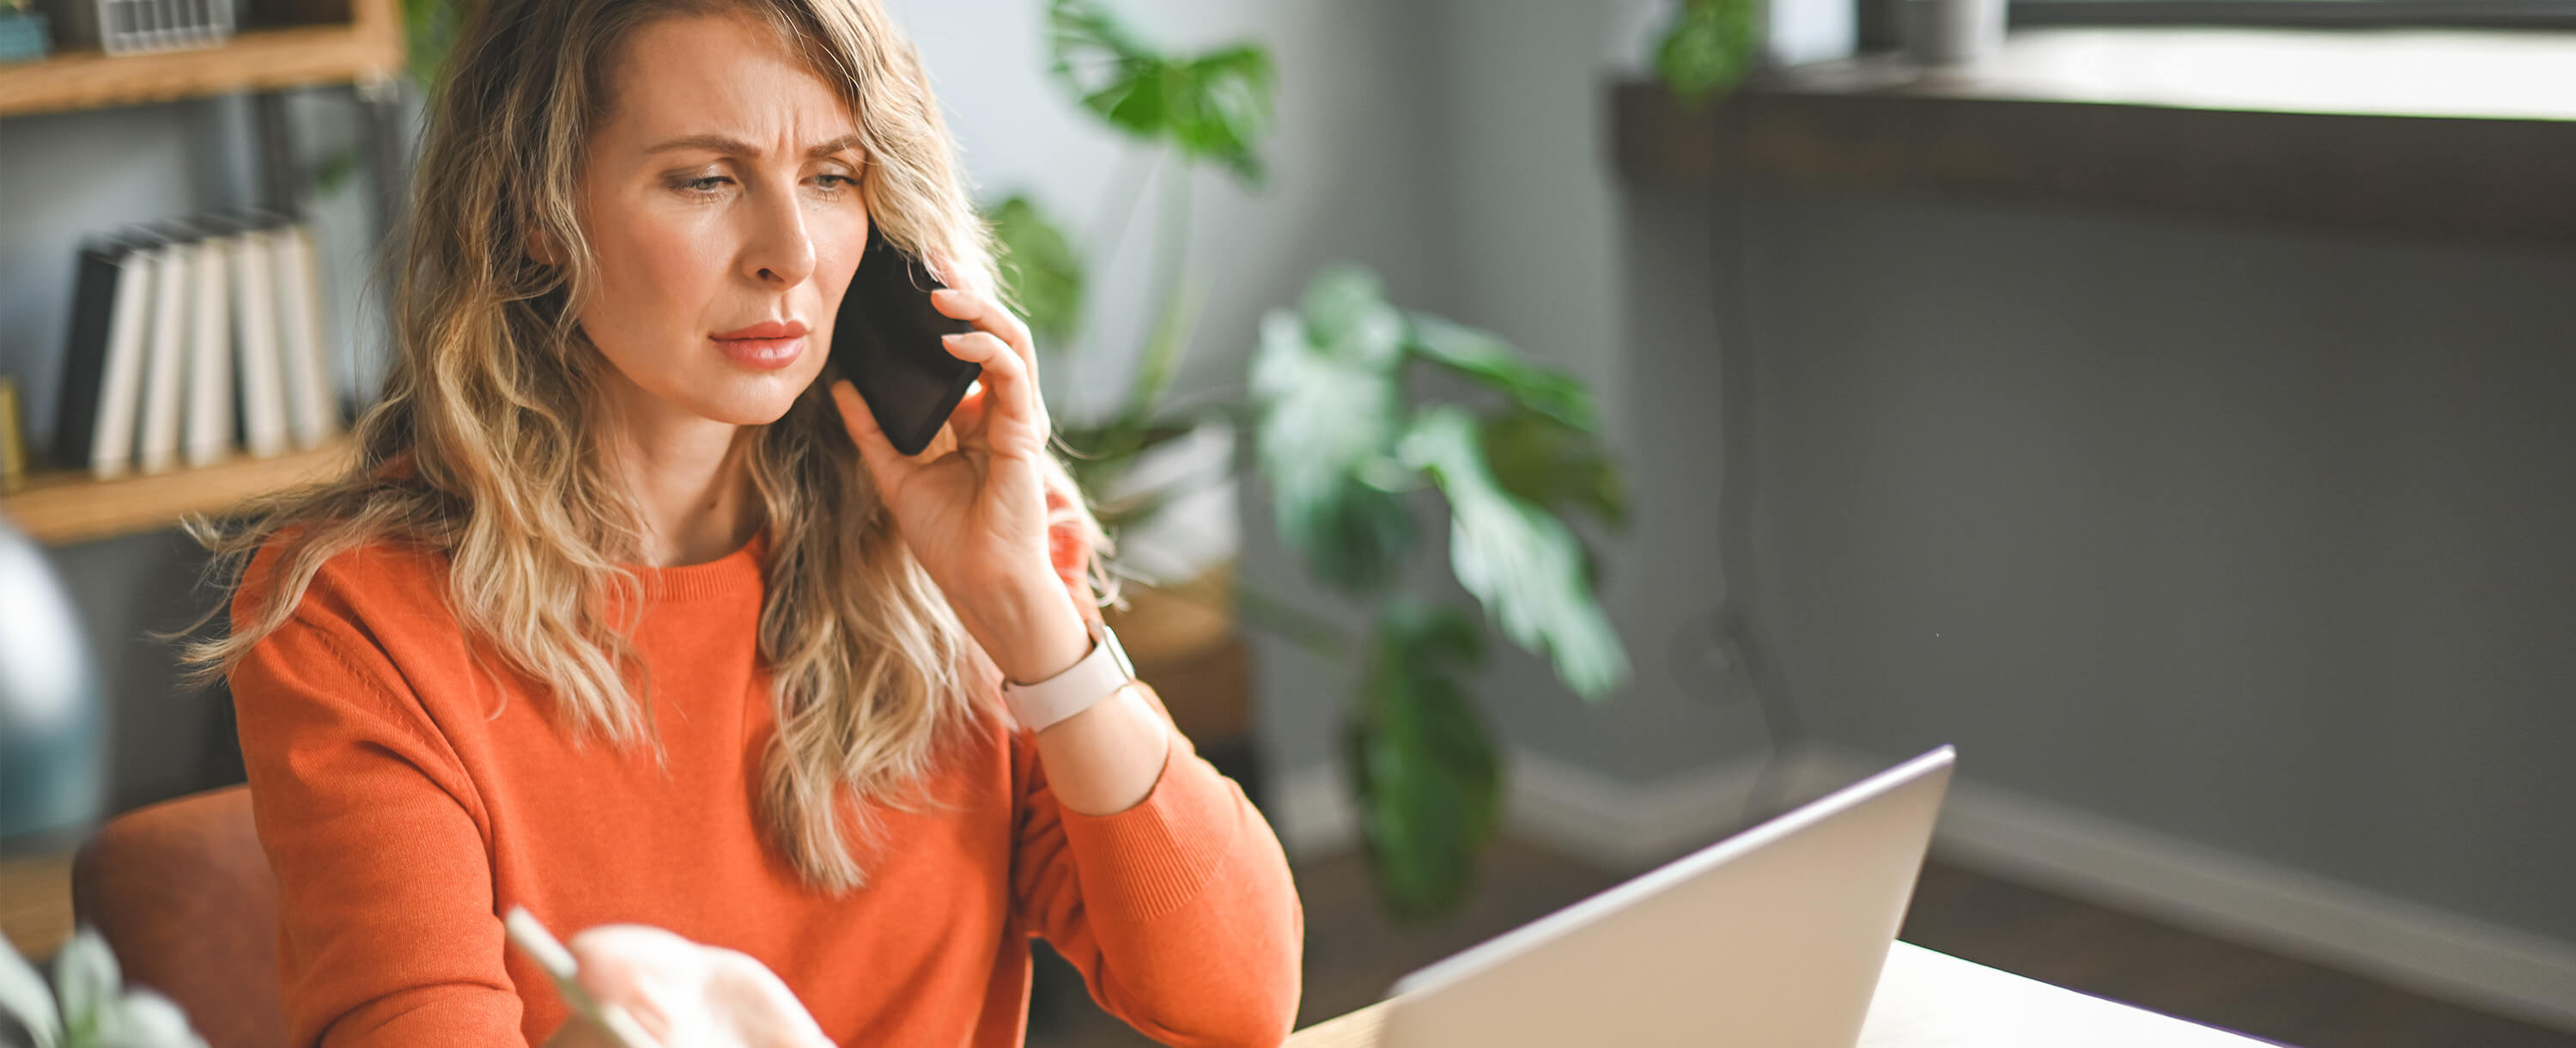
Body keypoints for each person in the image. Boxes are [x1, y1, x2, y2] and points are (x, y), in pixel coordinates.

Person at [166, 0, 1303, 1044]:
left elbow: (1238, 998)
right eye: (706, 180)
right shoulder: (360, 624)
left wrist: (1025, 611)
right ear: (534, 215)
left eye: (832, 176)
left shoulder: (971, 541)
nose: (790, 256)